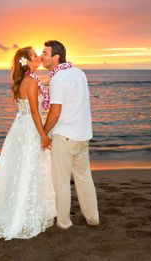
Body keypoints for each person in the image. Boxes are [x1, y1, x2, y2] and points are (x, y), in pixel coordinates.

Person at [0, 47, 56, 240]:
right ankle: (22, 214)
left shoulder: (20, 81)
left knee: (16, 168)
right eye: (35, 56)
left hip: (19, 127)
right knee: (30, 167)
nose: (38, 58)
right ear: (26, 62)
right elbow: (35, 113)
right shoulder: (31, 82)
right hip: (30, 128)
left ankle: (11, 209)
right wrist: (43, 135)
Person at [41, 40, 100, 230]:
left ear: (56, 57)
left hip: (65, 136)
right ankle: (93, 219)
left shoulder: (58, 78)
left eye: (45, 53)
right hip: (83, 136)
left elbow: (55, 112)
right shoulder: (79, 72)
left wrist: (43, 133)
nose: (42, 56)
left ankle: (64, 223)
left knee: (62, 183)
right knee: (84, 179)